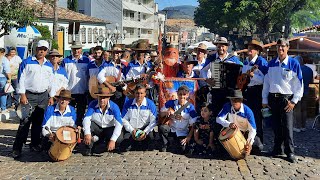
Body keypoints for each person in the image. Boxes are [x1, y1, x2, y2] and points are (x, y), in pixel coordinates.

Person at [262, 38, 303, 163]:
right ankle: (277, 149)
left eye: (283, 46)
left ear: (288, 48)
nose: (280, 49)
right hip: (273, 99)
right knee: (275, 126)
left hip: (286, 100)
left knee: (287, 127)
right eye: (278, 46)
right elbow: (266, 83)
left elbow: (299, 85)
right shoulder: (272, 63)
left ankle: (290, 152)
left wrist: (294, 101)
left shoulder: (293, 64)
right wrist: (264, 99)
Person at [12, 40, 55, 158]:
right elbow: (20, 79)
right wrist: (22, 95)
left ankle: (35, 144)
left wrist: (51, 96)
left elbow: (51, 82)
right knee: (25, 122)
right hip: (29, 95)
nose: (41, 51)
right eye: (39, 48)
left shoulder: (48, 65)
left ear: (47, 51)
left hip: (43, 96)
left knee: (38, 122)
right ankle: (17, 148)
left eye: (44, 49)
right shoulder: (26, 62)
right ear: (36, 49)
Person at [241, 40, 268, 152]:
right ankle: (248, 142)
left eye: (252, 48)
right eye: (249, 48)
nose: (250, 50)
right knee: (247, 117)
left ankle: (258, 144)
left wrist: (253, 76)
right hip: (247, 92)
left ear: (257, 51)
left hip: (257, 92)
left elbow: (266, 80)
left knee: (257, 118)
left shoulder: (261, 62)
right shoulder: (245, 62)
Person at [82, 85, 123, 155]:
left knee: (119, 138)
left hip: (109, 128)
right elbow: (86, 118)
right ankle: (89, 147)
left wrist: (113, 140)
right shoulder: (92, 104)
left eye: (104, 98)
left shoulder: (114, 107)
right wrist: (87, 133)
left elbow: (119, 124)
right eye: (100, 97)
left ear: (109, 98)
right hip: (97, 128)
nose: (102, 100)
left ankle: (111, 145)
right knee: (86, 127)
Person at [216, 89, 257, 156]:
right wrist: (229, 124)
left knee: (244, 153)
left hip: (244, 133)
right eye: (232, 100)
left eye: (236, 100)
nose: (234, 102)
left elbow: (253, 130)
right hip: (230, 131)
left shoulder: (248, 112)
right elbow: (218, 119)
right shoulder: (227, 106)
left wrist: (249, 143)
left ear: (241, 101)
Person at [158, 85, 197, 153]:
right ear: (177, 94)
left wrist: (188, 137)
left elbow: (194, 124)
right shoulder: (171, 103)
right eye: (180, 94)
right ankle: (165, 144)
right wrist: (166, 112)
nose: (182, 96)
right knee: (162, 128)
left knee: (182, 150)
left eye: (184, 94)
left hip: (183, 132)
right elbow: (161, 114)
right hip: (171, 129)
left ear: (187, 95)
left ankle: (174, 143)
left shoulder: (191, 107)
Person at [120, 84, 157, 151]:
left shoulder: (150, 104)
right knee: (125, 147)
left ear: (145, 94)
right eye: (137, 93)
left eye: (141, 93)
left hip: (145, 129)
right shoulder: (128, 103)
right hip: (132, 129)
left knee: (149, 146)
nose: (139, 95)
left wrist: (145, 132)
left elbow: (153, 121)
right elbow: (123, 119)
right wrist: (132, 130)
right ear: (134, 93)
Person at [61, 41, 90, 126]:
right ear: (71, 50)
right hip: (69, 92)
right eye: (74, 49)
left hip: (82, 91)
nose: (76, 51)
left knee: (81, 113)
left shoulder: (86, 60)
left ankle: (79, 132)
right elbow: (62, 76)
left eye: (78, 49)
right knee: (69, 113)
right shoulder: (66, 61)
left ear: (81, 49)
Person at [293, 55, 315, 132]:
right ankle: (303, 126)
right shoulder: (309, 70)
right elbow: (311, 81)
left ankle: (297, 127)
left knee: (297, 110)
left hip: (297, 92)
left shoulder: (296, 69)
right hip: (306, 91)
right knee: (304, 109)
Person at [0, 48, 11, 113]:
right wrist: (9, 79)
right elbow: (7, 70)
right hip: (2, 77)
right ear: (4, 53)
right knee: (3, 94)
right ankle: (3, 108)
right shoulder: (4, 59)